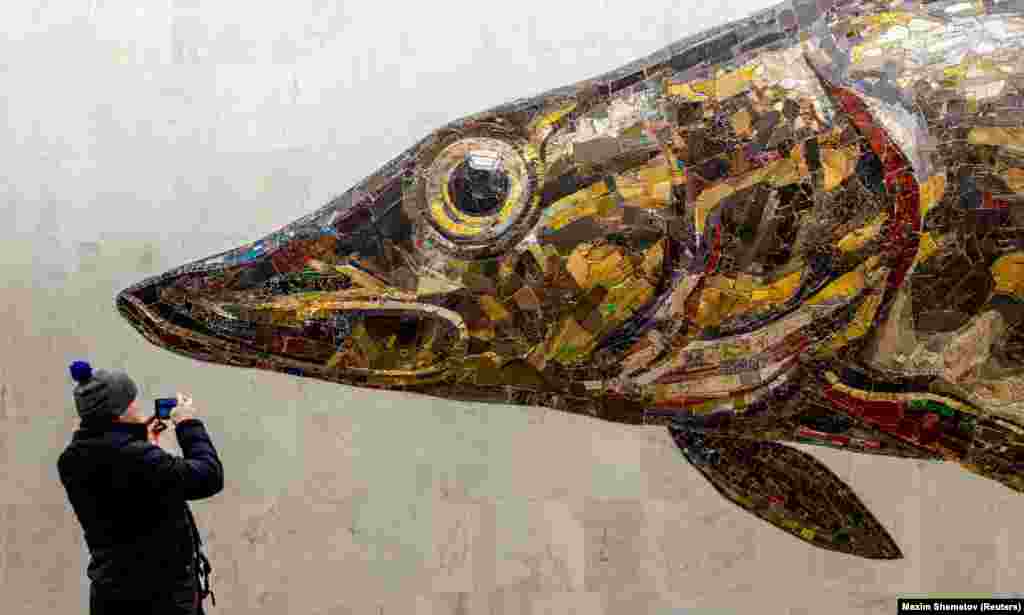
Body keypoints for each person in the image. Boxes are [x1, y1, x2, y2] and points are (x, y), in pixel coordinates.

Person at [57, 361, 224, 614]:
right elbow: (208, 476)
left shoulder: (72, 459)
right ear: (120, 411)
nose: (138, 406)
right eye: (132, 401)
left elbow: (137, 492)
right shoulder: (137, 459)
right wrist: (189, 425)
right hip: (159, 599)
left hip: (111, 594)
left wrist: (145, 444)